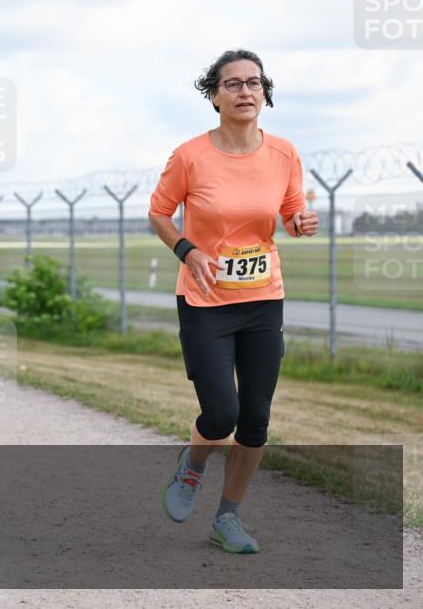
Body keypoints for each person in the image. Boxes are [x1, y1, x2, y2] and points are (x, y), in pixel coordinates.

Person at [149, 49, 319, 554]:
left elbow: (291, 211)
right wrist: (188, 249)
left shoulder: (285, 153)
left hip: (265, 300)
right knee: (221, 414)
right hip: (204, 303)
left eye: (255, 82)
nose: (246, 91)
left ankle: (228, 519)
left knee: (256, 420)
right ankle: (193, 465)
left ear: (265, 93)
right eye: (233, 84)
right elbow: (159, 214)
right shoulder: (191, 156)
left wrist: (301, 223)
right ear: (214, 95)